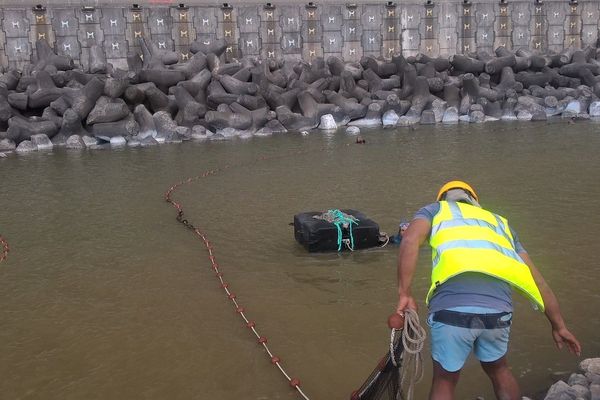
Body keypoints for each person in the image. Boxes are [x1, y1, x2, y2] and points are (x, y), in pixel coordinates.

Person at [395, 180, 581, 400]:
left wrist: (405, 294)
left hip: (451, 310)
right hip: (498, 313)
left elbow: (410, 240)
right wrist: (558, 325)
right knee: (499, 369)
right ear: (475, 201)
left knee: (445, 379)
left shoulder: (435, 210)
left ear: (443, 198)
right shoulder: (501, 224)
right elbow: (537, 280)